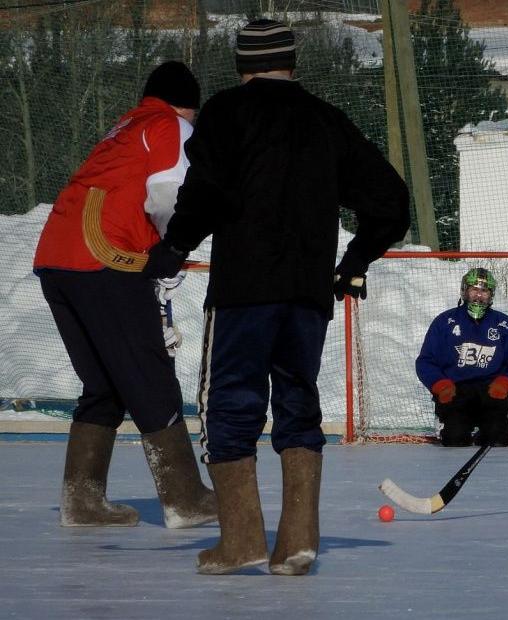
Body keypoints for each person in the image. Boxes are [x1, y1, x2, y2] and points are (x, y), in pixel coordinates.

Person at [142, 19, 410, 575]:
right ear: (293, 62)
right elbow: (390, 201)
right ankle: (298, 542)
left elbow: (206, 190)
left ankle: (240, 540)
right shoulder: (325, 120)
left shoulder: (226, 112)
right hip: (306, 296)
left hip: (244, 291)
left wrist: (174, 246)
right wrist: (353, 260)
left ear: (243, 66)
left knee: (229, 404)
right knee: (297, 400)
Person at [32, 61, 217, 529]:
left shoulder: (125, 126)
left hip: (57, 256)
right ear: (186, 105)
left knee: (106, 382)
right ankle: (185, 497)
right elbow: (169, 193)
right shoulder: (170, 124)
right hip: (105, 256)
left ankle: (82, 500)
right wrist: (173, 249)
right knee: (148, 371)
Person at [416, 268, 508, 447]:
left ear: (491, 295)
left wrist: (505, 383)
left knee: (497, 438)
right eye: (474, 290)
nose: (479, 296)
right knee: (454, 438)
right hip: (456, 391)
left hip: (492, 391)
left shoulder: (504, 324)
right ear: (464, 291)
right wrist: (441, 385)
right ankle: (448, 424)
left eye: (484, 291)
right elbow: (426, 361)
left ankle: (492, 427)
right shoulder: (445, 322)